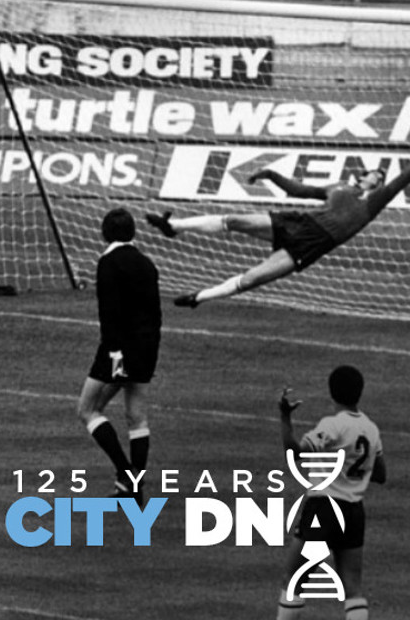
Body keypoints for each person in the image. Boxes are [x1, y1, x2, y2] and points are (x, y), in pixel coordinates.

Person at [147, 166, 410, 308]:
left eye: (382, 177)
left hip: (313, 244)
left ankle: (198, 297)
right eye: (377, 172)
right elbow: (301, 190)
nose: (381, 177)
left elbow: (401, 180)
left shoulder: (376, 200)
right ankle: (173, 226)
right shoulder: (337, 187)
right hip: (298, 222)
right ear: (364, 175)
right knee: (236, 220)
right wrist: (272, 175)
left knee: (252, 279)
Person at [275, 365, 385, 620]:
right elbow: (380, 474)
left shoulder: (333, 425)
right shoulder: (371, 429)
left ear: (331, 392)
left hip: (324, 509)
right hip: (354, 511)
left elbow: (296, 453)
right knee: (353, 589)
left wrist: (284, 417)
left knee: (293, 580)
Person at [77, 208, 161, 499]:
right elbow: (155, 314)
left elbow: (109, 313)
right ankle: (133, 487)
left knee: (87, 409)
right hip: (147, 348)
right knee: (137, 417)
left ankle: (125, 473)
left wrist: (114, 352)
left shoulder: (108, 262)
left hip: (119, 349)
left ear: (104, 233)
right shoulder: (147, 263)